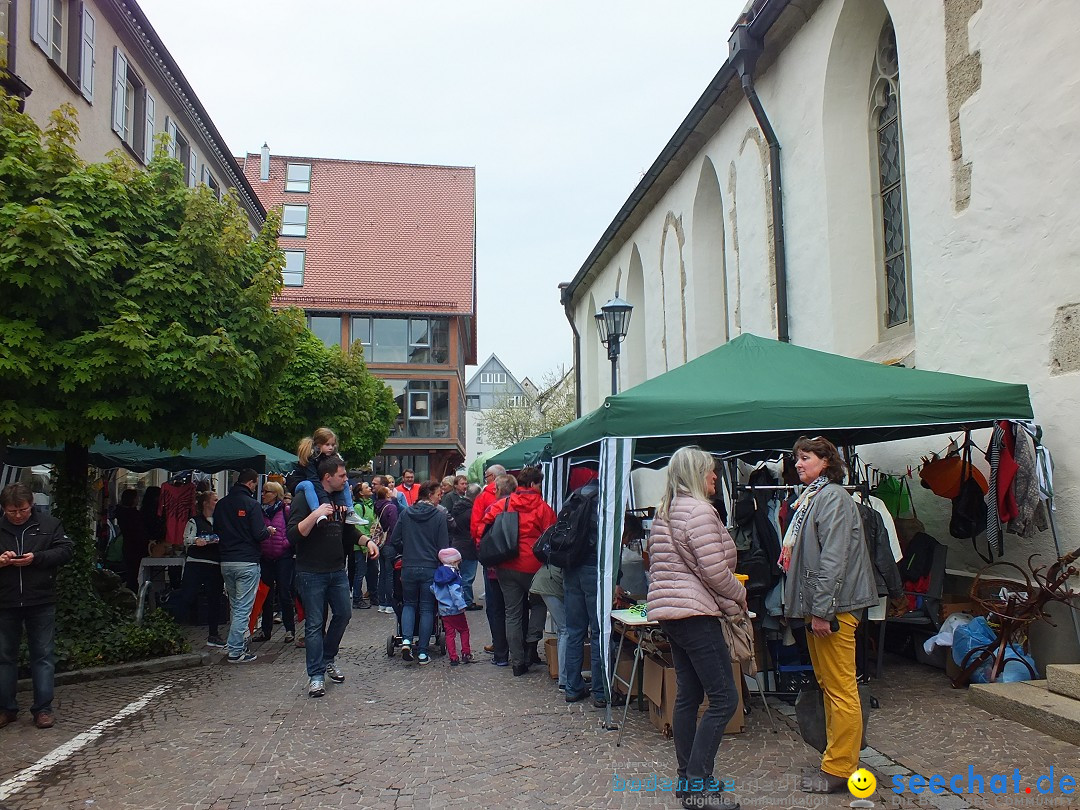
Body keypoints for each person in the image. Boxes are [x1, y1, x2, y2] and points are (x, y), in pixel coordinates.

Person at [647, 446, 747, 810]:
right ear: (696, 474)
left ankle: (687, 778)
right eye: (711, 472)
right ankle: (698, 786)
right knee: (724, 698)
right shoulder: (701, 512)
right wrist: (739, 594)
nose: (715, 478)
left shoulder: (665, 512)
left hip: (672, 614)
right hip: (695, 614)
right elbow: (716, 572)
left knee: (688, 696)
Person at [781, 436, 877, 795]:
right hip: (821, 609)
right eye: (797, 459)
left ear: (826, 461)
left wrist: (821, 611)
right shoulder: (813, 499)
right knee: (831, 687)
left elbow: (833, 559)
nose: (798, 464)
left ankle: (839, 768)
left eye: (805, 458)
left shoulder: (832, 498)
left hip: (834, 609)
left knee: (840, 689)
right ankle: (837, 759)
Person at [288, 457, 378, 697]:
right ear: (328, 477)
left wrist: (367, 541)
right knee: (315, 624)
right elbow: (293, 535)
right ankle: (316, 676)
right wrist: (315, 513)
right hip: (310, 572)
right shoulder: (303, 499)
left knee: (344, 614)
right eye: (342, 476)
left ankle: (328, 658)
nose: (346, 479)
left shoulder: (339, 500)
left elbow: (348, 531)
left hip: (337, 570)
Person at [0, 483, 73, 730]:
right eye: (12, 511)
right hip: (5, 600)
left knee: (42, 656)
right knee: (4, 657)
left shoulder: (50, 525)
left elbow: (65, 551)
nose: (18, 515)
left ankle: (43, 709)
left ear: (31, 504)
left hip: (41, 599)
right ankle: (6, 708)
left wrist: (37, 559)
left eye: (22, 509)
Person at [481, 466, 556, 677]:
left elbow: (484, 528)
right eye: (539, 483)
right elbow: (552, 535)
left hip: (507, 565)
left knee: (512, 613)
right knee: (540, 604)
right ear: (533, 484)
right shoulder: (542, 507)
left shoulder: (504, 503)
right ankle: (532, 644)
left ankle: (517, 662)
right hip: (533, 566)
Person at [561, 476, 613, 708]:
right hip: (595, 568)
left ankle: (572, 687)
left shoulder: (574, 496)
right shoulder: (604, 499)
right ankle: (601, 692)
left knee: (574, 632)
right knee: (599, 632)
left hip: (571, 567)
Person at [385, 480, 448, 666]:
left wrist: (409, 548)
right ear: (429, 494)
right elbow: (443, 547)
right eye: (438, 494)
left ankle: (405, 641)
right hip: (430, 566)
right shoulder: (439, 516)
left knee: (409, 604)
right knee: (427, 608)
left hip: (409, 566)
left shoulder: (406, 514)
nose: (440, 497)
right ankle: (422, 652)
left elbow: (395, 539)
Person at [214, 469, 272, 664]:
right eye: (256, 484)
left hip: (226, 560)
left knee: (235, 605)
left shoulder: (221, 504)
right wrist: (269, 531)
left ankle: (239, 642)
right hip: (247, 561)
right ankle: (236, 650)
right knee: (243, 607)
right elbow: (259, 534)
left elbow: (216, 530)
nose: (256, 488)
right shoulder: (252, 504)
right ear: (251, 483)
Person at [178, 490, 225, 648]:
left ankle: (213, 633)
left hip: (214, 563)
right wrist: (195, 540)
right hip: (197, 562)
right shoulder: (195, 521)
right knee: (187, 596)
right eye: (215, 500)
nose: (217, 503)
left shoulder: (220, 520)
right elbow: (186, 539)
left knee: (214, 599)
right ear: (205, 503)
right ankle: (177, 632)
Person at [294, 428, 362, 526]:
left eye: (333, 445)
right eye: (327, 445)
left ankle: (350, 512)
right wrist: (325, 501)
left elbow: (335, 481)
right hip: (302, 482)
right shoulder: (311, 457)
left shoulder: (330, 457)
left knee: (345, 482)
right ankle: (317, 512)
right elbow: (313, 479)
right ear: (318, 445)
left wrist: (340, 500)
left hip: (315, 482)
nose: (331, 448)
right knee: (309, 485)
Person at [258, 482, 295, 643]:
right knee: (266, 594)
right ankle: (266, 631)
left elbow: (292, 531)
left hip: (283, 558)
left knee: (284, 593)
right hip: (266, 557)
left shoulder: (286, 511)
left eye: (266, 492)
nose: (263, 494)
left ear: (275, 494)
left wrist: (284, 544)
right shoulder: (259, 512)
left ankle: (290, 630)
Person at [431, 547, 472, 666]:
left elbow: (433, 589)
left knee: (450, 633)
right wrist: (461, 605)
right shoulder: (453, 575)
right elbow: (455, 592)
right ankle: (466, 652)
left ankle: (453, 657)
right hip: (455, 609)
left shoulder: (438, 574)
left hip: (444, 609)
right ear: (454, 562)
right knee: (464, 630)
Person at [530, 562, 567, 690]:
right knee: (565, 630)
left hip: (546, 578)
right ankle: (565, 679)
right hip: (550, 582)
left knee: (563, 630)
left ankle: (565, 677)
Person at [447, 479, 481, 610]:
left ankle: (459, 599)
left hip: (457, 544)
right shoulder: (472, 512)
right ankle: (467, 601)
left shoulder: (457, 507)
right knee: (468, 576)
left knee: (459, 574)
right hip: (469, 546)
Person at [351, 482, 378, 609]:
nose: (370, 488)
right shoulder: (358, 507)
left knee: (372, 571)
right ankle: (357, 598)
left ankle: (373, 595)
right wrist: (364, 545)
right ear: (361, 493)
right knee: (360, 572)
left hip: (370, 544)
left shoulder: (370, 505)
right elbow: (358, 527)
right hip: (361, 546)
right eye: (367, 487)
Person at [372, 485, 399, 614]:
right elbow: (394, 526)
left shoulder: (377, 506)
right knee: (389, 574)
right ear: (387, 495)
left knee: (382, 573)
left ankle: (381, 602)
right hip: (388, 543)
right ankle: (389, 603)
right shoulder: (391, 507)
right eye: (389, 491)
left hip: (380, 543)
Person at [116, 488, 147, 593]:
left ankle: (132, 592)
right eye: (136, 497)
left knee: (131, 572)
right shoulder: (133, 514)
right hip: (136, 546)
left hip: (128, 545)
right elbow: (139, 531)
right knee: (135, 572)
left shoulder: (121, 512)